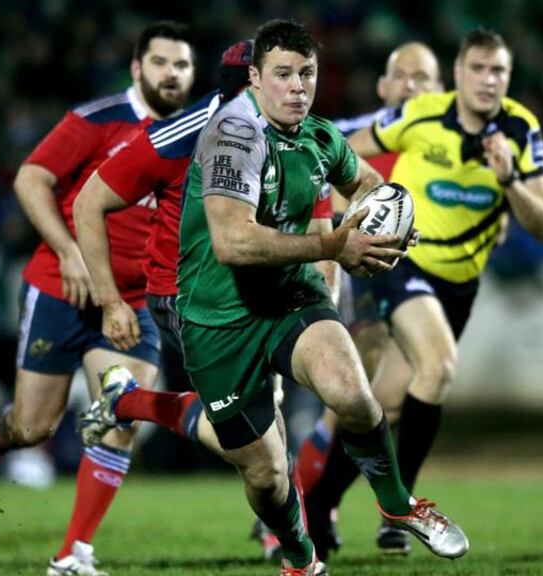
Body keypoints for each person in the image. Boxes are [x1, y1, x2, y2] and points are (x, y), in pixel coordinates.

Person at [92, 20, 470, 575]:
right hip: (218, 319)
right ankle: (299, 558)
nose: (297, 87)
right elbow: (232, 241)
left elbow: (365, 182)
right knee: (267, 476)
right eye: (284, 75)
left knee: (354, 395)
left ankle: (399, 506)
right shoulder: (232, 136)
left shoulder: (319, 136)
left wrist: (390, 217)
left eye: (307, 74)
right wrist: (336, 243)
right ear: (255, 78)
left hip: (291, 298)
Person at [73, 38, 333, 562]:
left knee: (270, 435)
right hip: (186, 297)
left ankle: (288, 538)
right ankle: (131, 402)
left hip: (261, 289)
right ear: (248, 85)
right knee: (253, 445)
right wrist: (110, 301)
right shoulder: (187, 132)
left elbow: (316, 209)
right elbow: (89, 201)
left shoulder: (293, 134)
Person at [0, 21, 195, 575]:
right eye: (160, 62)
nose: (171, 74)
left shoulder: (197, 133)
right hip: (60, 290)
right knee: (34, 426)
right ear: (138, 68)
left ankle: (73, 553)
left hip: (135, 299)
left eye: (181, 65)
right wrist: (66, 250)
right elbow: (30, 179)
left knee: (121, 412)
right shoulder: (99, 120)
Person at [320, 27, 543, 556]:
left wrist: (511, 179)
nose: (488, 80)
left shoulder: (521, 130)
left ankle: (317, 507)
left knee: (384, 403)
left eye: (498, 71)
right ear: (458, 74)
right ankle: (400, 508)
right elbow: (343, 150)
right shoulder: (422, 114)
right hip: (406, 266)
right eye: (478, 68)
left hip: (460, 285)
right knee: (441, 366)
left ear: (508, 78)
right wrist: (359, 212)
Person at [293, 41, 444, 557]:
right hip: (355, 270)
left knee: (386, 400)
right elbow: (322, 195)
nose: (412, 87)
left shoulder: (443, 144)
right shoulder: (353, 133)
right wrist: (331, 265)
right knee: (353, 399)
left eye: (423, 79)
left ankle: (328, 507)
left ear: (438, 90)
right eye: (402, 76)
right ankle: (302, 510)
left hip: (414, 281)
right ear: (383, 86)